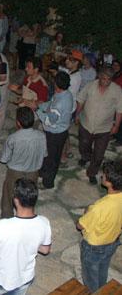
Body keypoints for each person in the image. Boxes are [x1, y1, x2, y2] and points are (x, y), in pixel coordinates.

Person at [0, 178, 51, 295]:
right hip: (25, 279)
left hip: (0, 280)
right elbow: (45, 249)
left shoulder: (2, 226)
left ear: (16, 201)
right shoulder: (44, 222)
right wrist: (30, 241)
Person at [77, 161, 122, 292]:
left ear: (109, 182)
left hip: (94, 247)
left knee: (90, 278)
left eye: (104, 174)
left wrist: (87, 212)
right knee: (103, 269)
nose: (101, 175)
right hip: (112, 241)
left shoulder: (99, 207)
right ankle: (103, 288)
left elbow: (80, 225)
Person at [76, 67, 122, 184]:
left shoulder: (117, 90)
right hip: (86, 124)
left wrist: (116, 125)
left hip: (104, 129)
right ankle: (85, 157)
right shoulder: (91, 85)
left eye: (109, 79)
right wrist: (77, 114)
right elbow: (81, 99)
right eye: (104, 78)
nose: (106, 81)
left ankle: (92, 172)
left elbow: (119, 110)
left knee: (99, 153)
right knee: (83, 145)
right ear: (99, 77)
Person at [0, 107, 47, 218]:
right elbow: (44, 154)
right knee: (29, 195)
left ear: (18, 123)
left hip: (15, 172)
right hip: (33, 172)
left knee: (9, 192)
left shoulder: (13, 138)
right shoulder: (41, 136)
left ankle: (7, 216)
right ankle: (26, 215)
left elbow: (4, 159)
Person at [34, 71, 73, 189]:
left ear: (56, 85)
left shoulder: (61, 103)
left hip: (56, 134)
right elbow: (50, 104)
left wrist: (37, 109)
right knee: (48, 155)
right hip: (57, 132)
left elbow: (49, 120)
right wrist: (41, 105)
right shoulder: (65, 94)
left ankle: (48, 182)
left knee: (52, 158)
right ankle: (43, 172)